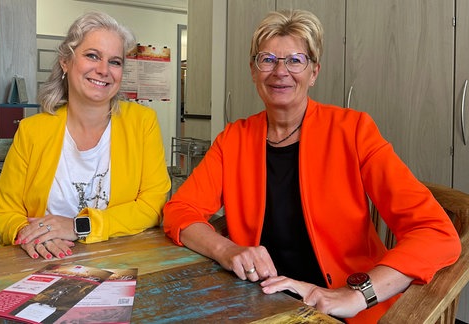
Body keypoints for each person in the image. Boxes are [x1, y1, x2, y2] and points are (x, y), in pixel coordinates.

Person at [162, 9, 461, 323]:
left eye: (295, 60)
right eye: (267, 59)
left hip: (342, 311)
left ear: (314, 72)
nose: (280, 71)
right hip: (262, 303)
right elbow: (181, 210)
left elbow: (435, 232)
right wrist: (227, 250)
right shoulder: (233, 139)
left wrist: (357, 294)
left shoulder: (353, 131)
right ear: (253, 70)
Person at [0, 12, 170, 260]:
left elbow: (152, 207)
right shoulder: (32, 130)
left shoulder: (142, 123)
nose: (104, 70)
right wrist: (27, 233)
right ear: (66, 61)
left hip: (121, 260)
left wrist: (78, 226)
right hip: (41, 260)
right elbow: (2, 214)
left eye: (115, 61)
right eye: (92, 56)